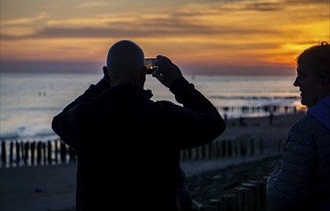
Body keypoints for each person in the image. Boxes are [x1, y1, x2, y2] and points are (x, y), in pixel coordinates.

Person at [52, 40, 226, 211]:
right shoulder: (164, 116)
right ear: (144, 74)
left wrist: (106, 82)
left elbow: (59, 120)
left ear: (106, 73)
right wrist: (178, 84)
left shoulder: (85, 117)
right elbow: (214, 123)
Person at [266, 41, 330, 211]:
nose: (296, 83)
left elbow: (280, 199)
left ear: (325, 79)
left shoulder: (307, 130)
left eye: (302, 75)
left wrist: (274, 176)